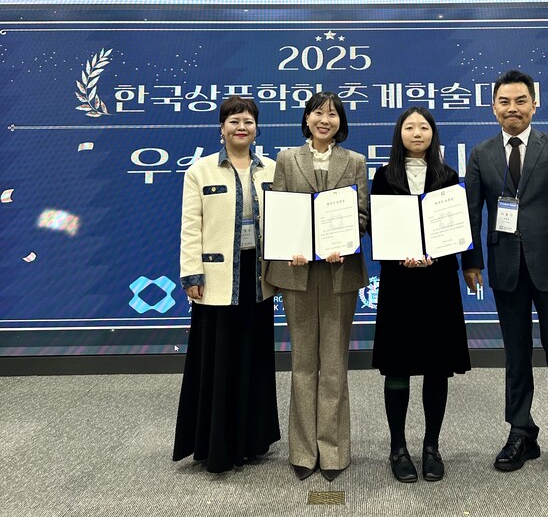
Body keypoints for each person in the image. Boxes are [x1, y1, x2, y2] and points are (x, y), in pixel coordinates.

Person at [462, 69, 548, 481]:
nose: (513, 108)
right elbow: (471, 213)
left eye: (520, 101)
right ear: (493, 108)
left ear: (534, 105)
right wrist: (471, 262)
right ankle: (520, 432)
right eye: (504, 102)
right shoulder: (481, 154)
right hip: (506, 268)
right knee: (515, 356)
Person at [173, 96, 280, 473]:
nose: (241, 127)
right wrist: (192, 274)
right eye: (234, 121)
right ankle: (217, 446)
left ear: (257, 128)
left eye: (248, 121)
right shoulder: (199, 171)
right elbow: (191, 228)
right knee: (218, 363)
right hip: (216, 280)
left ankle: (251, 441)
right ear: (221, 128)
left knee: (253, 358)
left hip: (257, 278)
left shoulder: (272, 169)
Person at [266, 91, 368, 482]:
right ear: (306, 119)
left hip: (340, 270)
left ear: (341, 122)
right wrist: (289, 246)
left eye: (332, 114)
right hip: (298, 271)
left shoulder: (355, 161)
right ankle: (303, 451)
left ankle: (334, 451)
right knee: (304, 362)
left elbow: (362, 214)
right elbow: (280, 210)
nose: (325, 120)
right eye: (318, 113)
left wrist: (345, 240)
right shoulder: (287, 159)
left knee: (334, 364)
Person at [370, 107, 470, 483]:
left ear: (433, 133)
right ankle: (397, 448)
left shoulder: (448, 176)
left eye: (423, 127)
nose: (416, 132)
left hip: (438, 281)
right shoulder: (384, 176)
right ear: (399, 134)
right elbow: (377, 227)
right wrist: (400, 254)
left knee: (436, 365)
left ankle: (431, 446)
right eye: (409, 127)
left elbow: (455, 226)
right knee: (397, 365)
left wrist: (437, 254)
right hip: (399, 282)